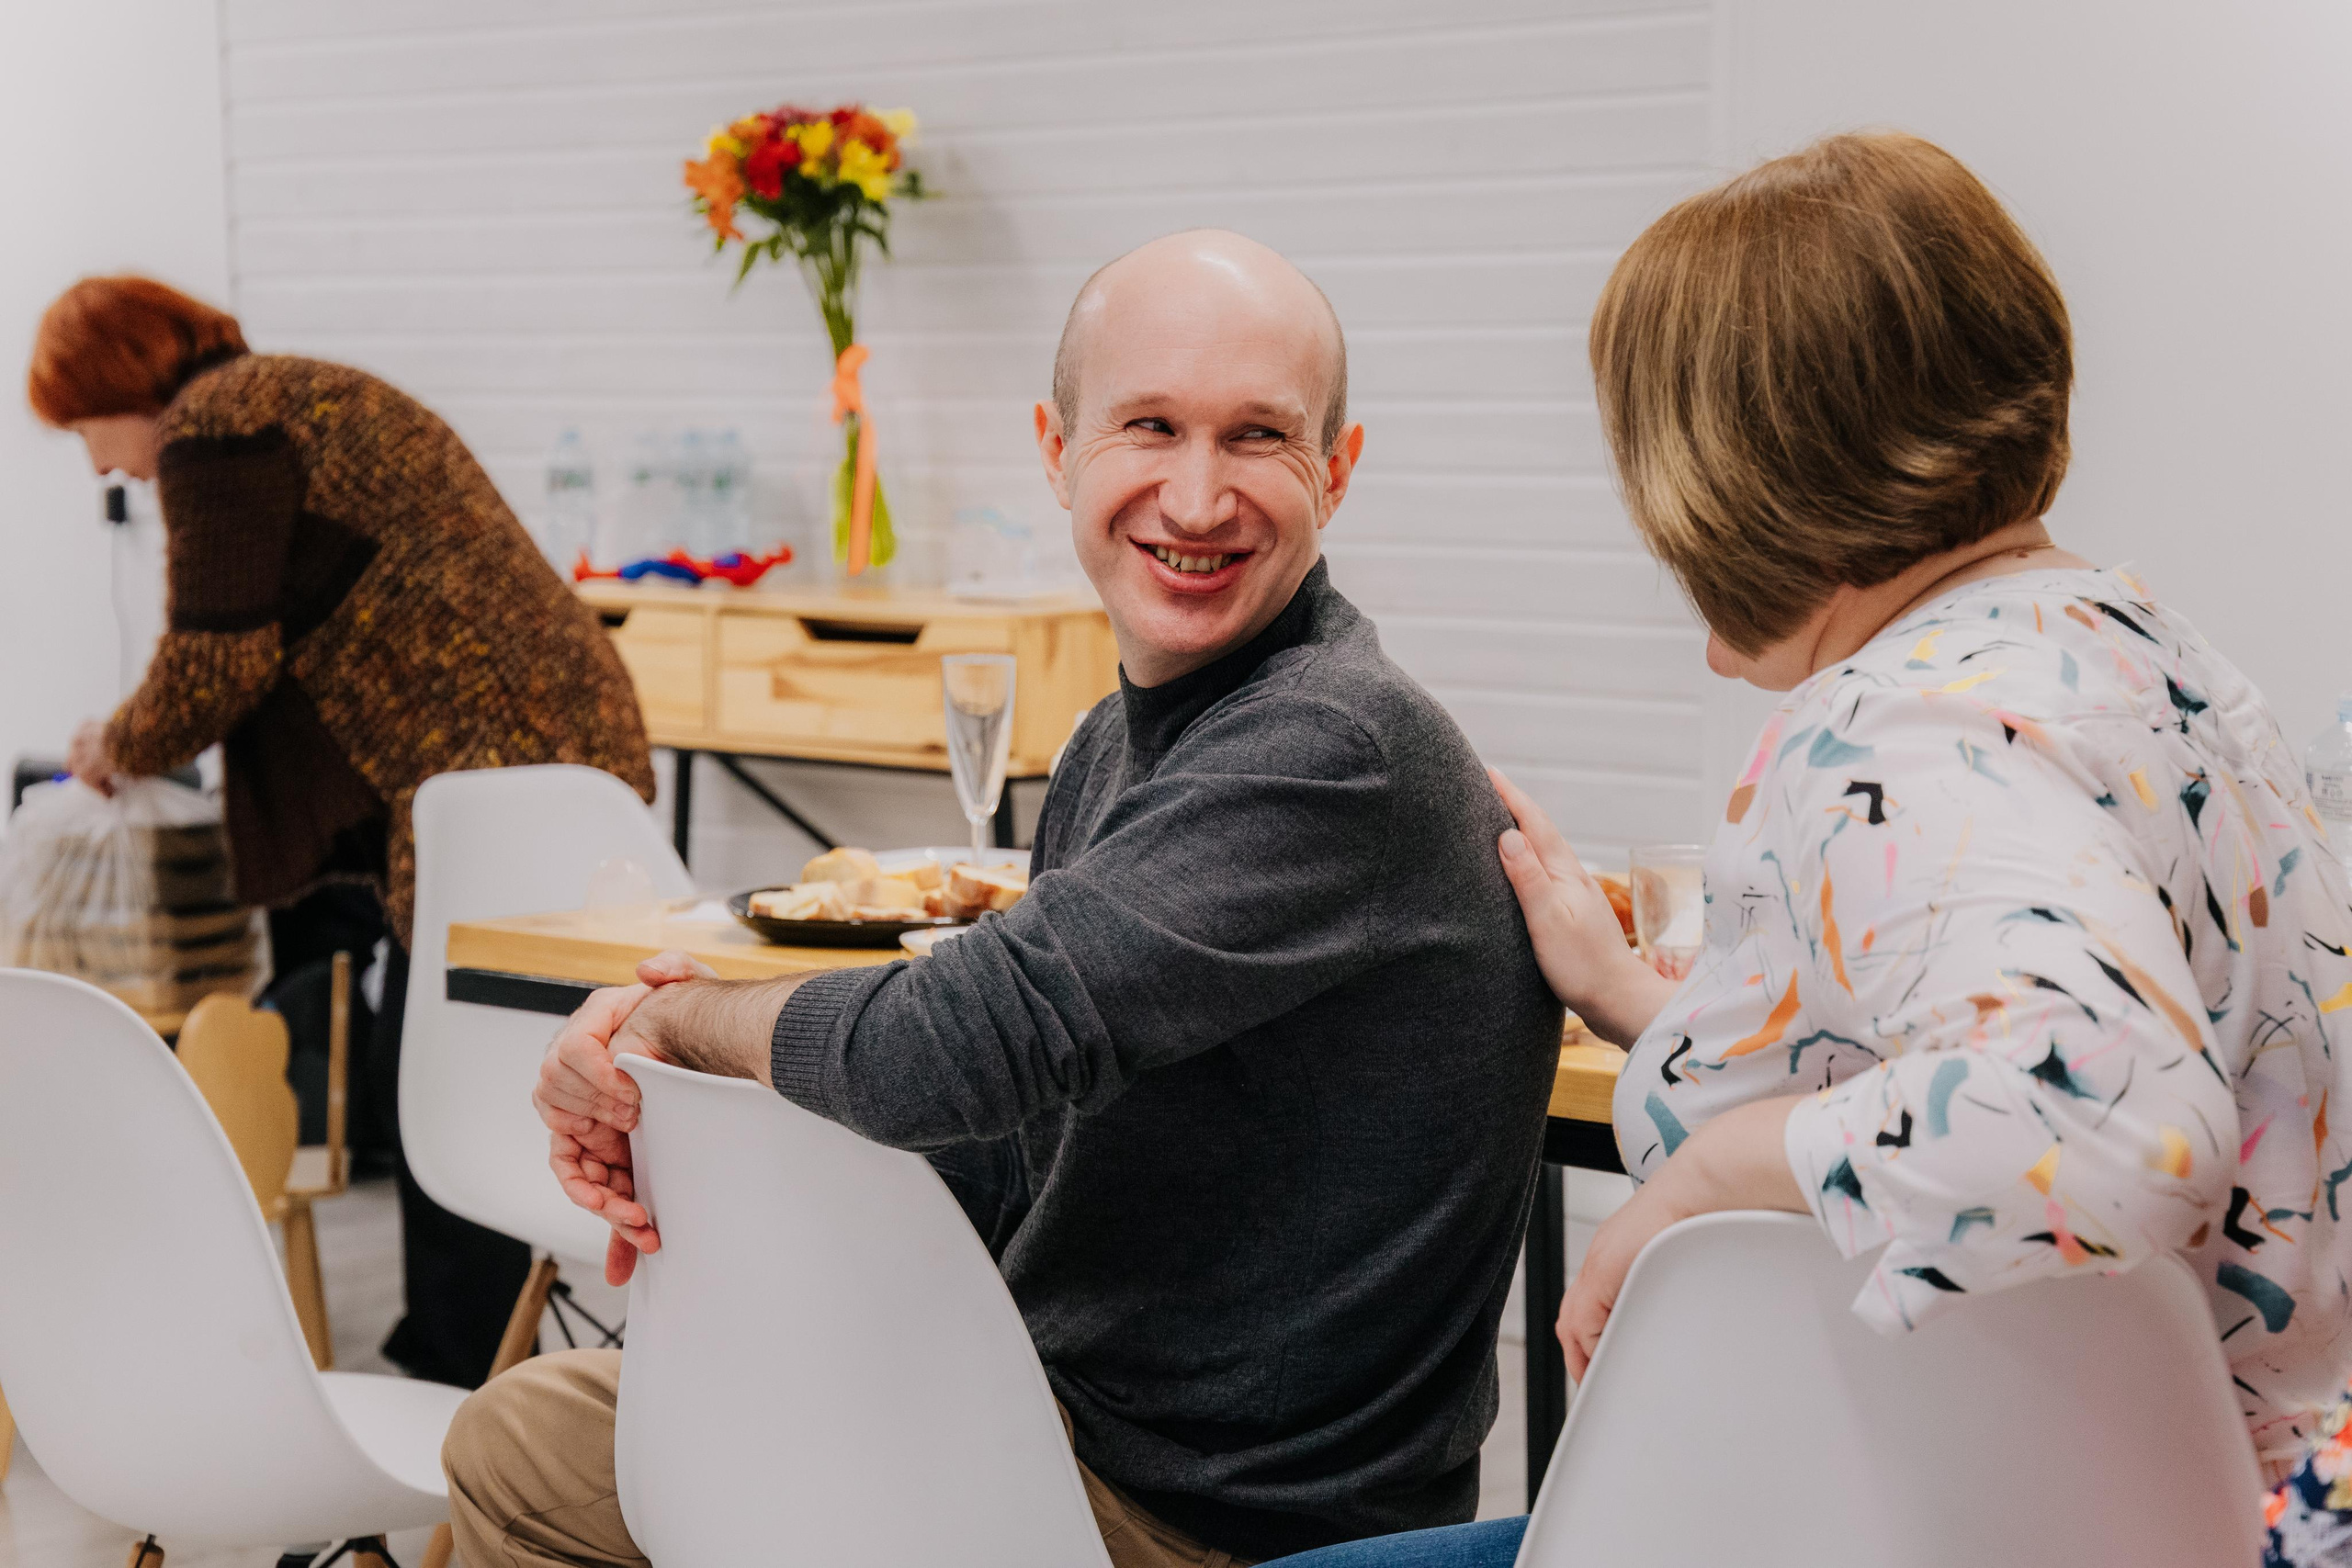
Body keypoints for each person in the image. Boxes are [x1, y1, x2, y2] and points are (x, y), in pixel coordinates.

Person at [1246, 128, 2352, 1568]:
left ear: (1749, 472)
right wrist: (1650, 1005)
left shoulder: (1904, 729)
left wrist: (1693, 1180)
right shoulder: (2135, 651)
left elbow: (2116, 1112)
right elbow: (1987, 1034)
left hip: (2008, 1518)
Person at [441, 229, 1565, 1568]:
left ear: (1339, 466)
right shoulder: (1117, 741)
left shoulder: (1334, 743)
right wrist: (684, 1144)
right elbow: (1003, 1147)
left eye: (1258, 437)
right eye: (1149, 425)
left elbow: (950, 1049)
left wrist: (677, 1025)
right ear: (1056, 447)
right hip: (1043, 1426)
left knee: (540, 1455)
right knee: (545, 1427)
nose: (1197, 498)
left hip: (1205, 1521)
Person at [26, 276, 658, 1388]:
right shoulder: (292, 397)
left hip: (493, 774)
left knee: (447, 1084)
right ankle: (479, 1362)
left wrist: (112, 743)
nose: (102, 467)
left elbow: (214, 662)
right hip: (547, 751)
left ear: (122, 384)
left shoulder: (219, 425)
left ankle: (468, 1388)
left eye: (85, 429)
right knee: (459, 1063)